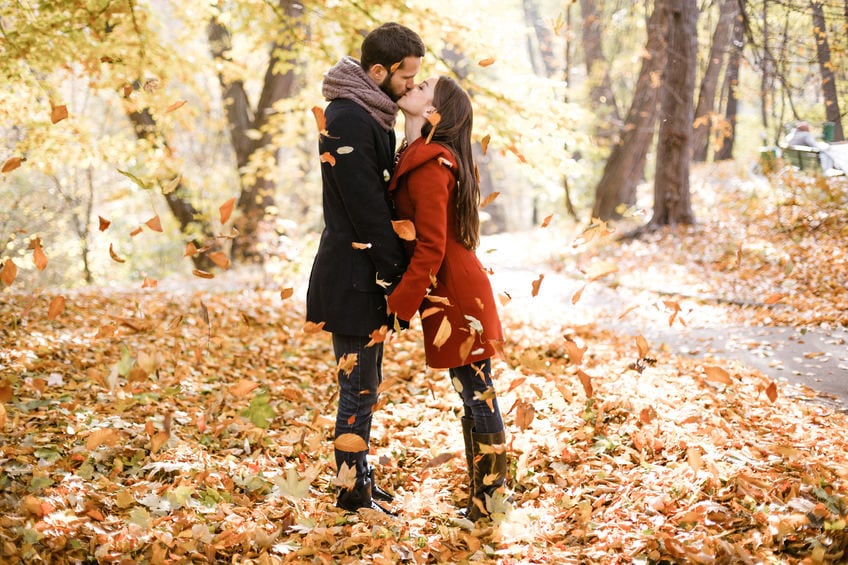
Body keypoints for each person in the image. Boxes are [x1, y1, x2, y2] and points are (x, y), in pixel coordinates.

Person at [305, 22, 425, 514]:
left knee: (366, 387)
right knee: (357, 389)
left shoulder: (370, 112)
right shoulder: (349, 119)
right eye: (405, 77)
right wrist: (398, 273)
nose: (412, 86)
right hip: (354, 277)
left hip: (365, 273)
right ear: (378, 71)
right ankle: (351, 495)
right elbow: (367, 210)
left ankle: (361, 481)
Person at [386, 76, 509, 521]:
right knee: (472, 393)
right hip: (452, 290)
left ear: (433, 114)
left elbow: (432, 247)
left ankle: (491, 503)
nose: (412, 87)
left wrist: (400, 305)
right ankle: (486, 500)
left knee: (478, 394)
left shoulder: (431, 165)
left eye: (422, 89)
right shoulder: (417, 156)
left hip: (457, 294)